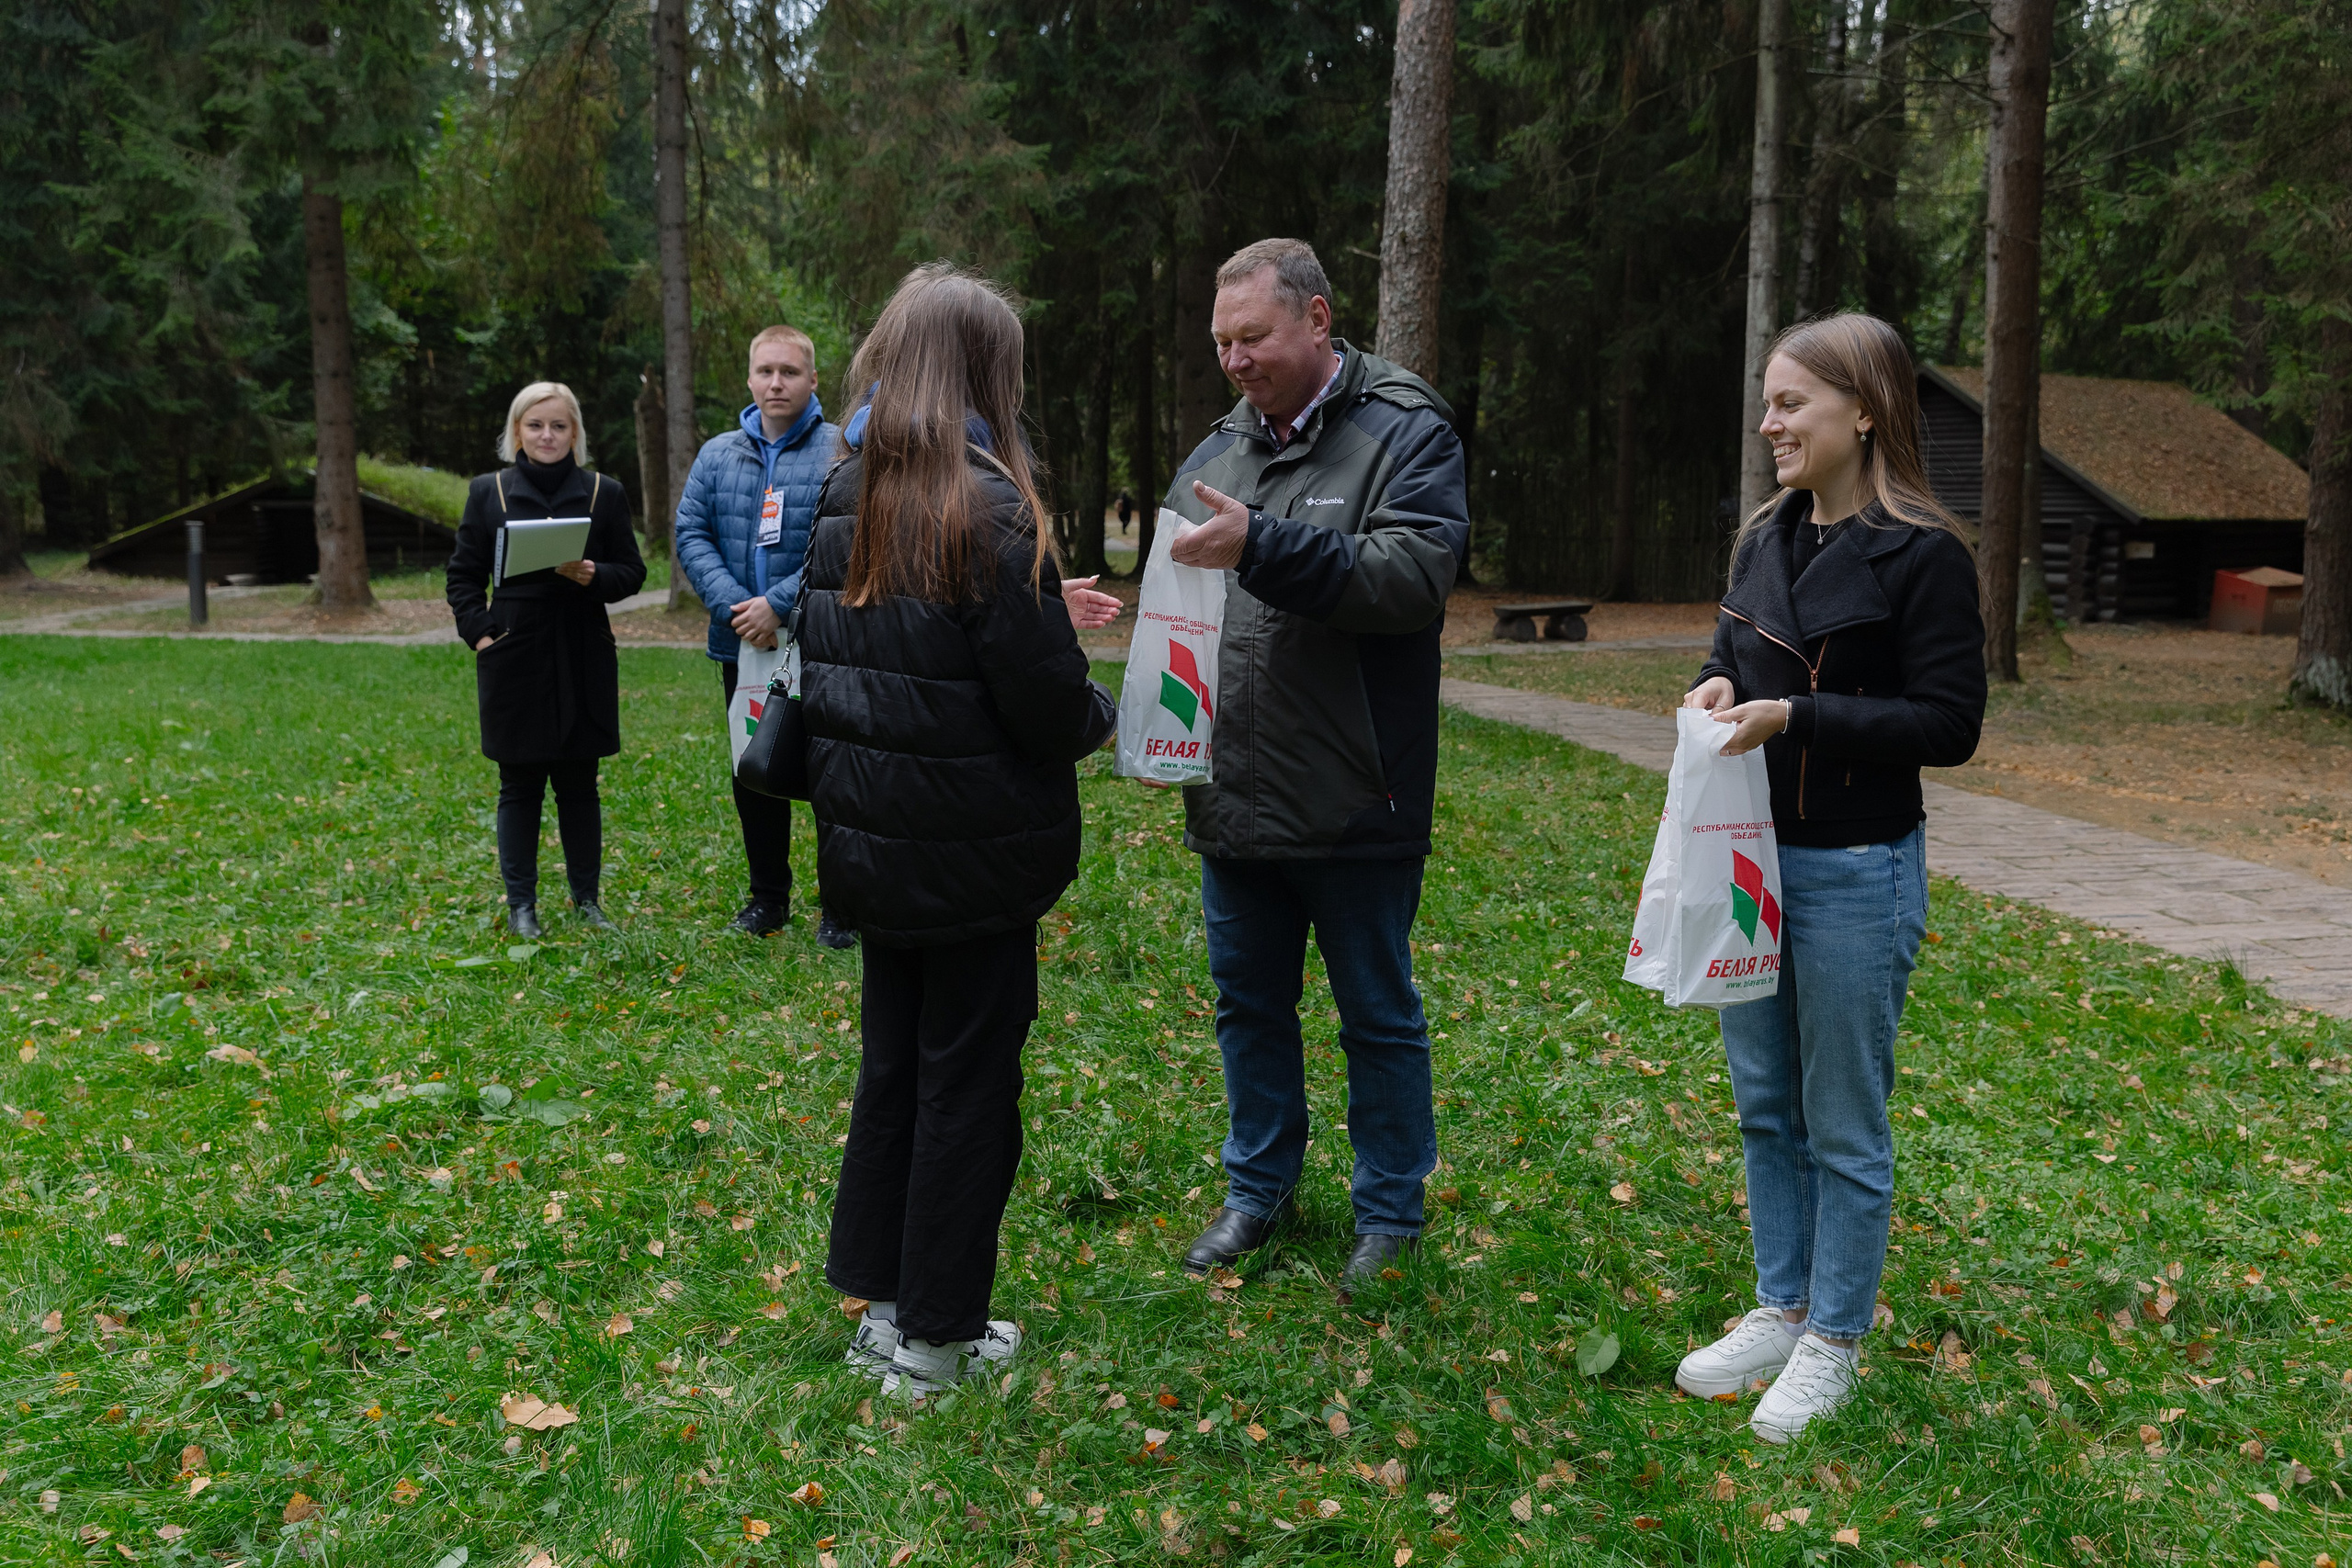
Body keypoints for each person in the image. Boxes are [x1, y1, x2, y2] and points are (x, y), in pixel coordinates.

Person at [801, 263, 1117, 1399]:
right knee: (967, 1084)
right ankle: (934, 1342)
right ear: (987, 371)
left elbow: (902, 646)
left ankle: (887, 1307)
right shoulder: (984, 504)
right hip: (973, 854)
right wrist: (1101, 701)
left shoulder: (851, 491)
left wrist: (1043, 603)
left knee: (895, 1067)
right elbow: (1043, 706)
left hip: (876, 845)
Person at [1671, 312, 1984, 1442]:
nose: (1770, 424)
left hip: (1858, 871)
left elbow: (1949, 724)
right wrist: (1714, 690)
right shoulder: (1767, 536)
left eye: (1791, 403)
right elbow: (1728, 653)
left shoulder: (1924, 555)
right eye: (1769, 402)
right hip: (1753, 863)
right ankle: (1781, 1303)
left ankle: (1836, 1340)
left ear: (1865, 410)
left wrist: (1796, 713)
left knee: (1841, 1118)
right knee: (1765, 1104)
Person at [1153, 238, 1470, 1293]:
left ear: (1318, 320)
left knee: (1376, 1012)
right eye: (1220, 343)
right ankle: (1258, 1192)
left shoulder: (1404, 431)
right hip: (1234, 790)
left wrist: (1265, 545)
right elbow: (1182, 616)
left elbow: (1411, 579)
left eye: (1254, 337)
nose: (1235, 360)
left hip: (1353, 793)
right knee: (1248, 1006)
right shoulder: (1214, 453)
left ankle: (1389, 1211)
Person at [446, 381, 647, 939]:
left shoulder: (605, 492)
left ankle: (587, 900)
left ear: (575, 433)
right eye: (535, 425)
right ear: (517, 432)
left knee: (581, 783)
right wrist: (483, 635)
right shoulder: (490, 493)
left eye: (559, 426)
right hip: (516, 651)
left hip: (583, 647)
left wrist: (594, 575)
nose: (547, 435)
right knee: (521, 783)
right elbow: (463, 577)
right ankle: (522, 905)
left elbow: (632, 572)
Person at [673, 325, 848, 945]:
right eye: (765, 371)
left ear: (813, 379)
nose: (777, 383)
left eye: (790, 372)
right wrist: (734, 606)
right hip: (742, 646)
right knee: (755, 768)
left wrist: (778, 604)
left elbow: (846, 538)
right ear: (749, 378)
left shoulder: (840, 449)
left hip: (823, 642)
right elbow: (691, 531)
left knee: (831, 769)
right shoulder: (718, 454)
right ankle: (768, 899)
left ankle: (842, 908)